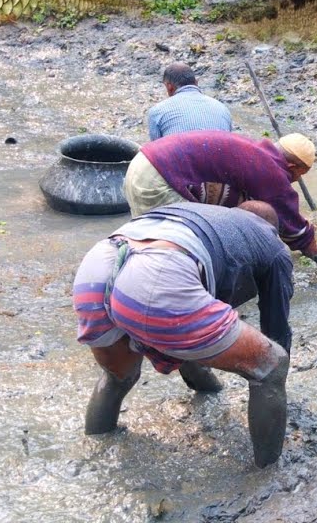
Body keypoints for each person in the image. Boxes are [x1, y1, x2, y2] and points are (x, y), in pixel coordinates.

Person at [73, 200, 293, 467]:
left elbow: (189, 344)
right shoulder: (272, 245)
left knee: (118, 378)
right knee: (272, 364)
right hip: (159, 272)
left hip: (99, 262)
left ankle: (94, 457)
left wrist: (213, 387)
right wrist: (275, 384)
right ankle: (268, 478)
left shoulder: (209, 218)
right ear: (273, 229)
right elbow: (276, 329)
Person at [122, 130, 317, 271]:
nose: (296, 181)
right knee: (174, 250)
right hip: (160, 177)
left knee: (144, 236)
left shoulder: (254, 150)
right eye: (300, 176)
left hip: (144, 162)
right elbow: (296, 230)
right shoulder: (271, 172)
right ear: (293, 168)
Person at [147, 63, 233, 141]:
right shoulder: (223, 109)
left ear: (169, 86)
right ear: (196, 82)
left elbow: (156, 152)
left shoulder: (157, 112)